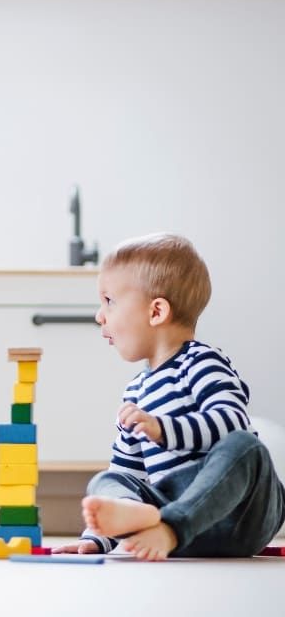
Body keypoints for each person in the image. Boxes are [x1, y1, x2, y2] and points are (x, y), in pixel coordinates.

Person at [53, 233, 285, 560]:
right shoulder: (135, 391)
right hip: (177, 518)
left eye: (109, 301)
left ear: (156, 312)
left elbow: (232, 423)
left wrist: (163, 429)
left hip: (240, 516)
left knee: (246, 448)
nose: (99, 315)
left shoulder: (202, 361)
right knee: (107, 479)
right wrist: (96, 538)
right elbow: (129, 470)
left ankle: (169, 527)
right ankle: (147, 523)